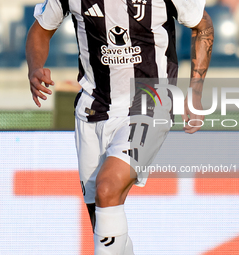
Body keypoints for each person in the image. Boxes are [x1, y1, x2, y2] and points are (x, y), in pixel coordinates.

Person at [26, 0, 213, 253]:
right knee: (102, 219)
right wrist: (35, 67)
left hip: (150, 101)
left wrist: (196, 91)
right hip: (93, 108)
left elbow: (203, 25)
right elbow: (40, 30)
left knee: (107, 187)